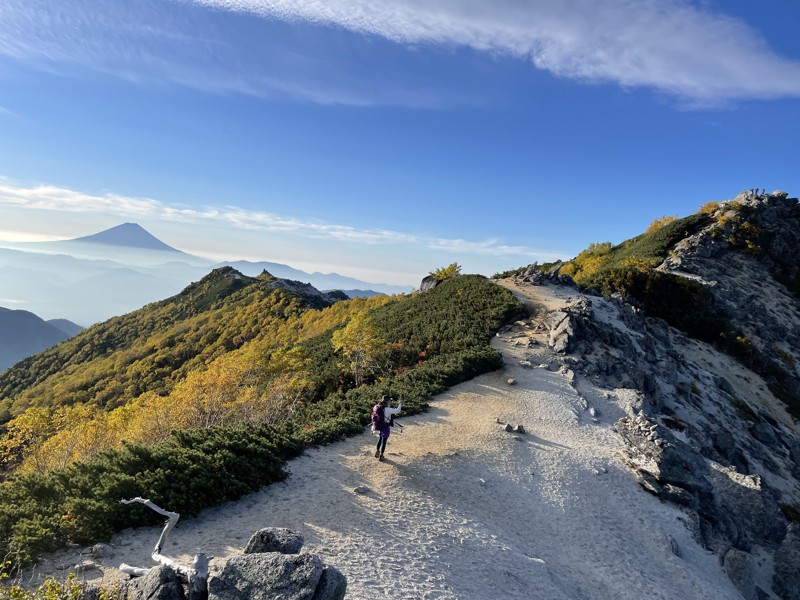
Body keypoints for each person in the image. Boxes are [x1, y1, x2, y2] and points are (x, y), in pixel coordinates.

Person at [372, 395, 402, 461]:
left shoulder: (378, 407)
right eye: (389, 401)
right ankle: (381, 455)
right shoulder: (388, 409)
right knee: (384, 441)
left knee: (380, 439)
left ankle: (377, 451)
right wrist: (400, 404)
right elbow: (397, 411)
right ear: (387, 401)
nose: (390, 402)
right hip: (386, 426)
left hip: (380, 425)